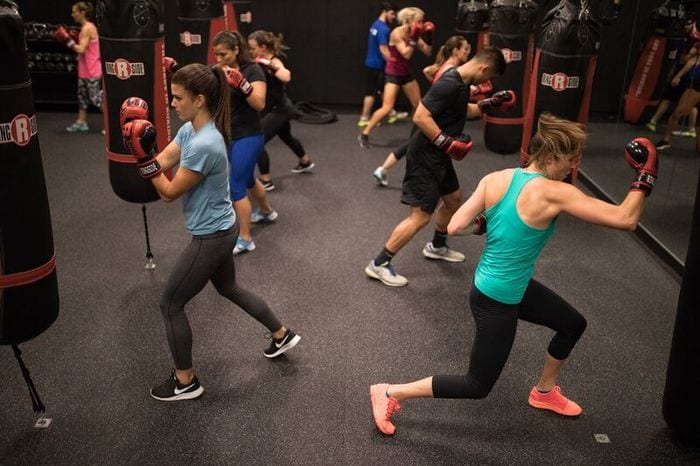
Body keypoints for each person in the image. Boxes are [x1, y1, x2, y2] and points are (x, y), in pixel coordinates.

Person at [369, 113, 658, 435]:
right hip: (497, 299)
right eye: (571, 160)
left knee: (572, 324)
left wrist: (495, 222)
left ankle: (544, 392)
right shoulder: (555, 192)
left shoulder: (497, 178)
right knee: (477, 384)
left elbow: (454, 226)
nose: (571, 168)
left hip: (504, 285)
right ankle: (389, 391)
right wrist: (646, 174)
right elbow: (625, 218)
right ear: (553, 156)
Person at [119, 63, 301, 401]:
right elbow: (163, 161)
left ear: (199, 99)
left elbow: (168, 193)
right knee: (229, 286)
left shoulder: (206, 144)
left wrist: (139, 156)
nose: (171, 104)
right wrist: (143, 148)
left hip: (212, 236)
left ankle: (185, 381)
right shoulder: (191, 130)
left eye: (177, 98)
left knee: (170, 303)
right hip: (223, 227)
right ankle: (281, 333)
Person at [365, 47, 510, 287]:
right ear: (484, 68)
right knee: (420, 217)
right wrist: (446, 141)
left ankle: (437, 245)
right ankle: (379, 264)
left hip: (439, 156)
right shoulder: (449, 83)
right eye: (489, 76)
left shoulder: (462, 84)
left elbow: (466, 111)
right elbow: (420, 116)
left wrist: (490, 103)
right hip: (424, 157)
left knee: (453, 199)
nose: (488, 82)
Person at [373, 35, 472, 187]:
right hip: (429, 116)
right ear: (455, 51)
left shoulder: (444, 66)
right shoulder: (454, 71)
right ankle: (385, 169)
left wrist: (436, 85)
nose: (468, 52)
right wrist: (474, 90)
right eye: (465, 49)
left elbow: (427, 70)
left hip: (429, 112)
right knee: (414, 148)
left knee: (410, 145)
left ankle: (383, 169)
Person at [212, 30, 277, 254]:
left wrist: (242, 84)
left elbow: (259, 104)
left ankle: (246, 238)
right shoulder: (219, 70)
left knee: (236, 187)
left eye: (223, 54)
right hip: (230, 135)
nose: (219, 59)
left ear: (236, 50)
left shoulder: (253, 70)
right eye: (216, 54)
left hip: (249, 136)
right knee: (248, 179)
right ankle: (267, 212)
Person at [248, 30, 315, 192]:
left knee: (256, 142)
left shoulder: (274, 61)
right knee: (286, 137)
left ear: (263, 47)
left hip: (281, 110)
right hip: (278, 109)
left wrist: (269, 65)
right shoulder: (256, 60)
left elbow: (286, 76)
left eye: (253, 48)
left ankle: (266, 180)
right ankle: (305, 161)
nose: (251, 51)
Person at [358, 7, 433, 149]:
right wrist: (414, 38)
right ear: (409, 21)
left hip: (406, 73)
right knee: (387, 108)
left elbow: (428, 52)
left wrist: (429, 37)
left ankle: (415, 137)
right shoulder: (396, 33)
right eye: (420, 21)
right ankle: (365, 133)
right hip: (393, 73)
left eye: (422, 21)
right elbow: (406, 54)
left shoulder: (415, 32)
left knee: (419, 106)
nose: (422, 24)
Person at [53, 1, 102, 133]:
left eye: (75, 12)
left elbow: (81, 49)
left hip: (92, 70)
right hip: (84, 69)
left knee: (96, 98)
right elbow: (85, 51)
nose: (72, 14)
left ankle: (112, 125)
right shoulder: (84, 28)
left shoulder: (88, 28)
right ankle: (81, 122)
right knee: (82, 97)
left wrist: (67, 40)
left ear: (82, 13)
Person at [358, 2, 409, 128]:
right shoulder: (383, 29)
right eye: (392, 14)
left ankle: (391, 113)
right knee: (371, 92)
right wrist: (394, 63)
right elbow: (384, 50)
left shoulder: (375, 24)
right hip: (377, 65)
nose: (393, 17)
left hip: (372, 63)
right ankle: (364, 118)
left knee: (382, 91)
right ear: (385, 11)